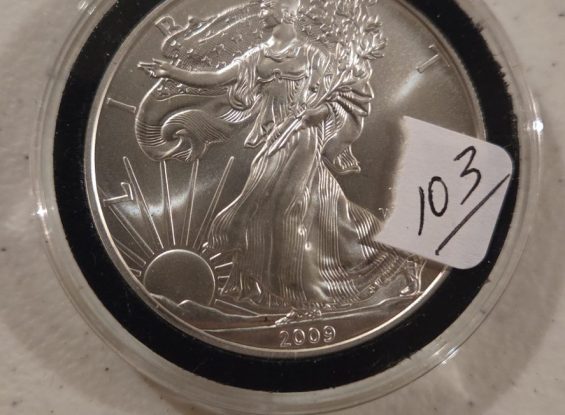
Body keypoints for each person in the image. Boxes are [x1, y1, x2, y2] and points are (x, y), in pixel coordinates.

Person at [142, 0, 420, 314]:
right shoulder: (257, 55)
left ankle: (305, 295)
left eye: (267, 6)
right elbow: (218, 78)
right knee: (308, 206)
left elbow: (337, 98)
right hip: (273, 137)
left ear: (285, 12)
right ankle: (380, 254)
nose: (262, 10)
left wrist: (319, 111)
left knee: (286, 207)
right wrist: (172, 72)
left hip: (302, 137)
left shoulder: (313, 55)